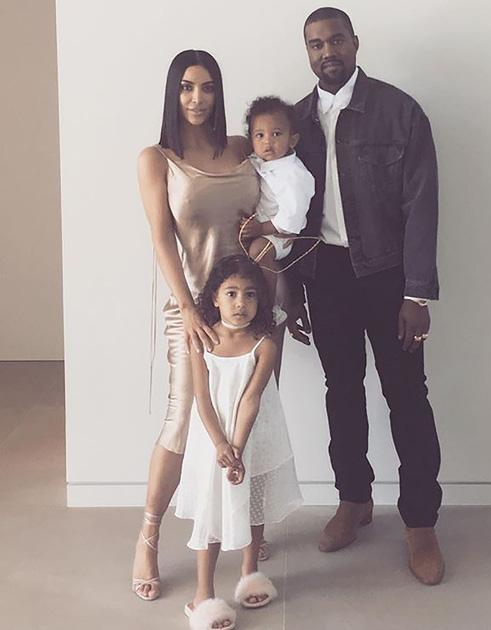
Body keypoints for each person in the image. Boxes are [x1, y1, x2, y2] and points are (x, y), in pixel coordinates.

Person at [286, 7, 445, 585]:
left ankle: (420, 522)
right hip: (324, 274)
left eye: (335, 40)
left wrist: (417, 295)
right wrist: (291, 289)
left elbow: (421, 206)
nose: (326, 51)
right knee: (342, 391)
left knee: (407, 395)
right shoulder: (293, 122)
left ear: (355, 43)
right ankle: (353, 499)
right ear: (307, 52)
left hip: (388, 275)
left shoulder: (399, 112)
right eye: (315, 44)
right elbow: (284, 213)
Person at [132, 50, 278, 602]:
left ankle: (247, 536)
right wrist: (189, 308)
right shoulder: (157, 159)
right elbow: (160, 238)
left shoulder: (243, 148)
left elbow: (274, 212)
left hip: (253, 309)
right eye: (187, 87)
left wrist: (274, 265)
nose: (198, 98)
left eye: (208, 87)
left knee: (253, 419)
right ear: (174, 93)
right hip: (194, 311)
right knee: (182, 423)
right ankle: (148, 537)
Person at [176, 254, 301, 629]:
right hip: (212, 438)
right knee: (210, 509)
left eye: (250, 294)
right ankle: (203, 594)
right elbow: (202, 398)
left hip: (253, 435)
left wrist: (239, 450)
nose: (240, 303)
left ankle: (250, 573)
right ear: (214, 297)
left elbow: (251, 399)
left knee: (254, 502)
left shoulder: (264, 345)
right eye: (230, 293)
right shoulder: (202, 341)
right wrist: (221, 446)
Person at [239, 96, 315, 311]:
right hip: (260, 227)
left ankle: (270, 306)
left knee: (259, 251)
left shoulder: (294, 174)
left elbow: (293, 215)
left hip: (279, 233)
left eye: (276, 134)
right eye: (260, 135)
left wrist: (261, 229)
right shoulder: (258, 161)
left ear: (292, 140)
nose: (267, 142)